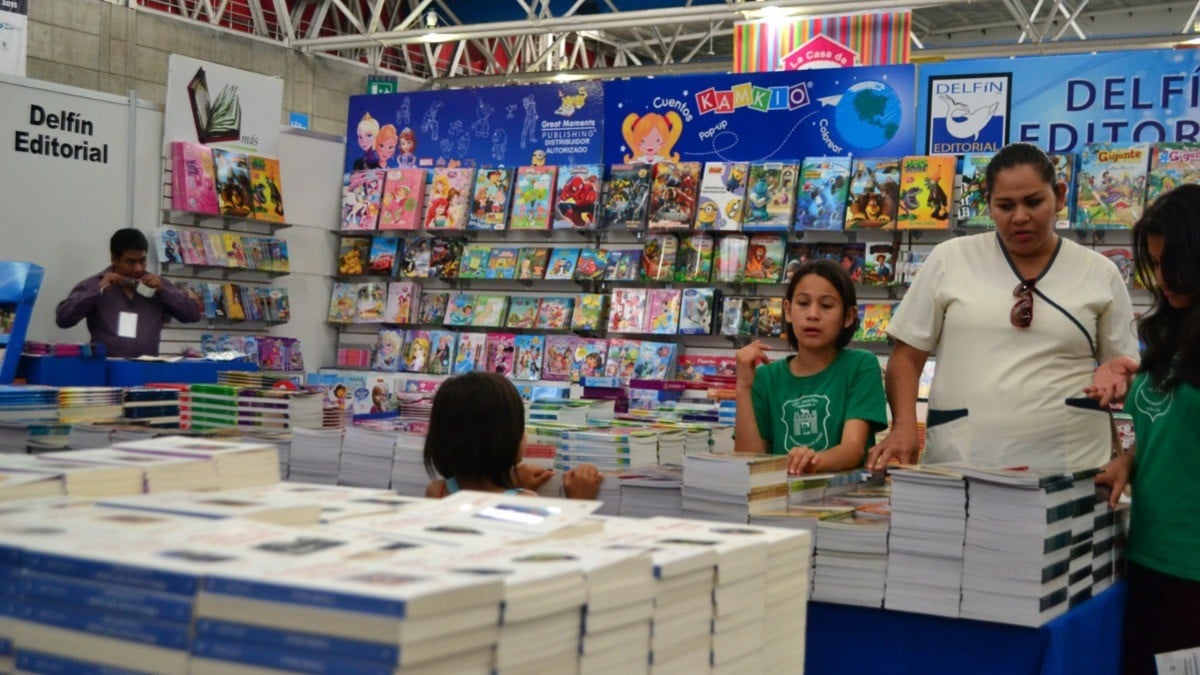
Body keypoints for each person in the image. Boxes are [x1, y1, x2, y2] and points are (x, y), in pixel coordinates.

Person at [868, 142, 1139, 472]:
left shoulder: (1100, 272)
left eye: (1034, 202)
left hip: (1071, 462)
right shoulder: (950, 259)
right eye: (1005, 205)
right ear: (988, 205)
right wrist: (903, 426)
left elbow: (1121, 368)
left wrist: (1117, 380)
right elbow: (907, 357)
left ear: (1060, 195)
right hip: (963, 458)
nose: (1020, 217)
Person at [1091, 185, 1200, 675]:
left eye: (1171, 262)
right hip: (1147, 555)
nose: (1162, 279)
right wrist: (1124, 457)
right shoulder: (1167, 331)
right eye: (1153, 265)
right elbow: (1143, 425)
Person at [734, 259, 888, 475]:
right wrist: (743, 387)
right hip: (778, 502)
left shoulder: (861, 365)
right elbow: (749, 461)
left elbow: (853, 449)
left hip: (841, 499)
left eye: (826, 305)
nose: (813, 314)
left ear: (849, 316)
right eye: (803, 303)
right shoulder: (765, 377)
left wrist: (810, 462)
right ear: (787, 310)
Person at [423, 372, 603, 499]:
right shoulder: (525, 501)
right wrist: (581, 501)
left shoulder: (437, 491)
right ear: (505, 439)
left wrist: (510, 482)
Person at [55, 228, 201, 358]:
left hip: (146, 374)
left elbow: (193, 315)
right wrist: (96, 291)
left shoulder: (157, 285)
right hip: (105, 374)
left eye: (142, 260)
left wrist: (165, 291)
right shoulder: (95, 284)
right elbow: (63, 319)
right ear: (113, 259)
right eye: (130, 262)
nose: (138, 268)